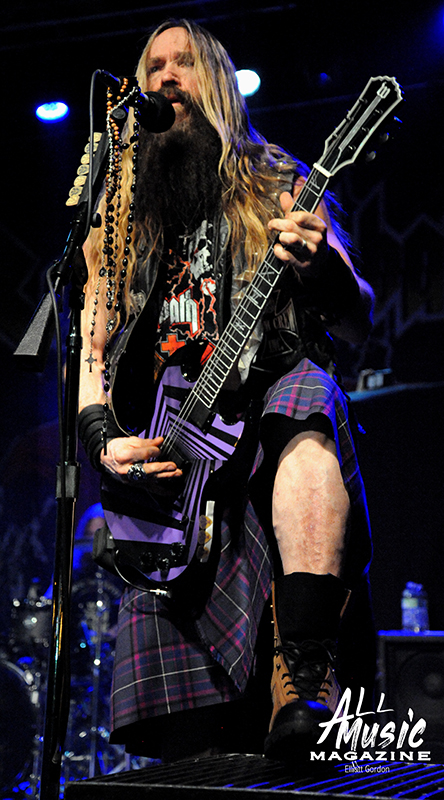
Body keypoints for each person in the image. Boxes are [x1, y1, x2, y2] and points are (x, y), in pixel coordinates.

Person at [78, 18, 375, 764]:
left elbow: (357, 316)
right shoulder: (121, 211)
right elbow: (93, 339)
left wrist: (319, 265)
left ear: (215, 81)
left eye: (182, 63)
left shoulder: (278, 179)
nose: (164, 77)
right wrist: (99, 435)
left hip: (264, 430)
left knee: (305, 395)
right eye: (153, 65)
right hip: (178, 466)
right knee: (188, 757)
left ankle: (303, 669)